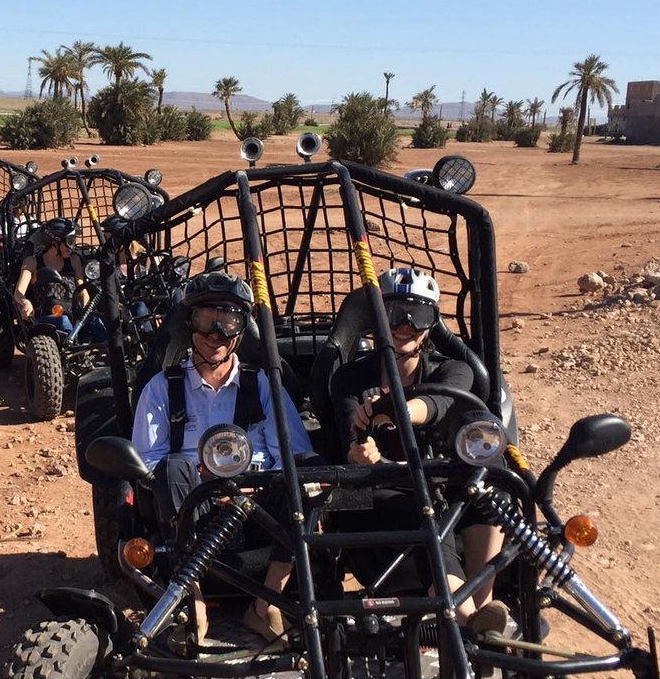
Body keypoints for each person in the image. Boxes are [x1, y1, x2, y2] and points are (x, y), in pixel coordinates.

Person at [131, 271, 316, 642]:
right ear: (189, 325)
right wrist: (203, 480)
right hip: (191, 509)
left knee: (309, 472)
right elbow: (147, 463)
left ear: (241, 330)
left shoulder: (262, 385)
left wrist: (255, 488)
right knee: (172, 466)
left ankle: (266, 604)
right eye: (205, 320)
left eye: (227, 321)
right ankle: (193, 603)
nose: (215, 334)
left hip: (258, 508)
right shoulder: (163, 388)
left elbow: (293, 454)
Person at [329, 266, 508, 634]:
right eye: (394, 314)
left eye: (418, 315)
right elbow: (351, 439)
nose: (404, 325)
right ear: (376, 318)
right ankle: (470, 625)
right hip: (374, 491)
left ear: (432, 324)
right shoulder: (350, 378)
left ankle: (482, 606)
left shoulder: (453, 371)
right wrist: (360, 451)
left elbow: (440, 403)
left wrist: (399, 410)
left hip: (440, 484)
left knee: (492, 476)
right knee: (422, 512)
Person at [13, 217, 106, 342]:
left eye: (74, 241)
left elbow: (82, 290)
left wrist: (86, 311)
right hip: (46, 316)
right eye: (69, 241)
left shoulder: (74, 260)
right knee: (63, 321)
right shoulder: (32, 262)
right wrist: (25, 302)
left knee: (95, 321)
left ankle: (113, 350)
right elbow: (18, 293)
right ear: (55, 242)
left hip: (73, 312)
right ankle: (71, 348)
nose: (72, 247)